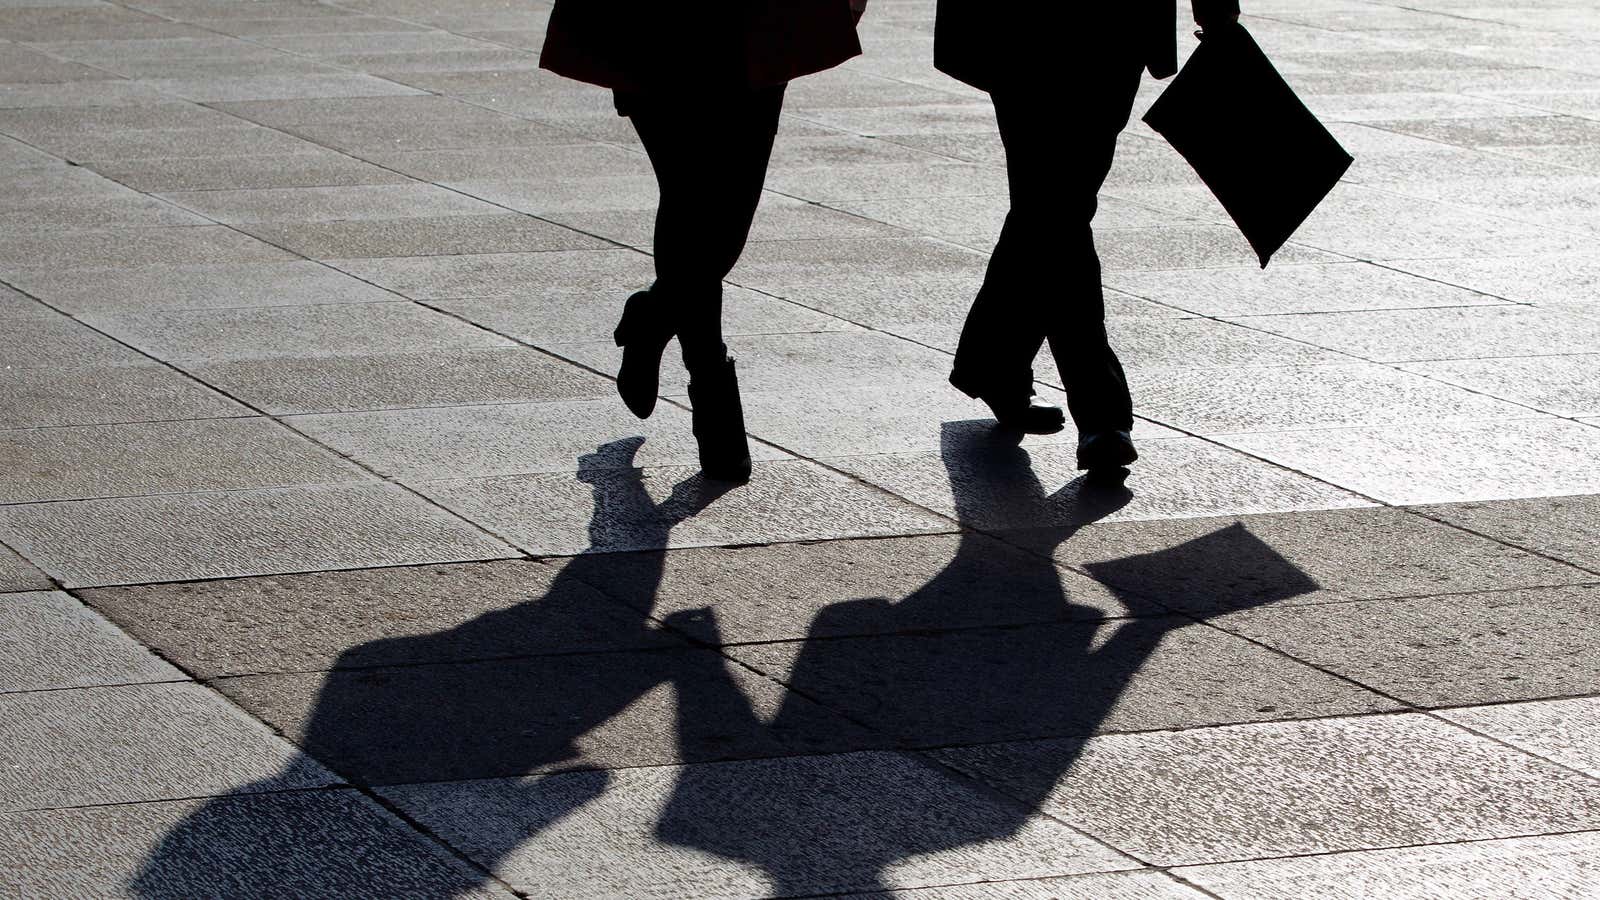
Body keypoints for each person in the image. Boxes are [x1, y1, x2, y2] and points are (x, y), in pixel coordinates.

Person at [540, 0, 868, 482]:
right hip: (650, 26)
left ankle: (653, 317)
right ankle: (713, 399)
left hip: (753, 25)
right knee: (691, 199)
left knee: (722, 221)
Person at [935, 0, 1240, 471]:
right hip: (1020, 23)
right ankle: (1100, 414)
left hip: (1110, 23)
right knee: (1057, 210)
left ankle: (994, 365)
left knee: (1050, 210)